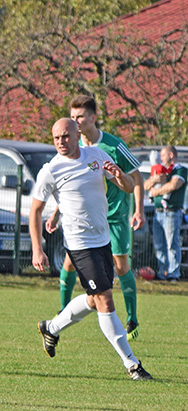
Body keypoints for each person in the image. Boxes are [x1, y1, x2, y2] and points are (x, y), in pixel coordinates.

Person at [31, 118, 152, 381]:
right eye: (56, 138)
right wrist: (37, 248)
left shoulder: (96, 155)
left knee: (93, 299)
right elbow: (35, 210)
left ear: (77, 135)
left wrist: (120, 177)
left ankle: (51, 327)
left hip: (102, 239)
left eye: (65, 136)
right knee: (106, 300)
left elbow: (129, 187)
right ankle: (132, 364)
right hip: (78, 244)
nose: (61, 142)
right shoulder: (50, 170)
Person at [48, 95, 144, 341]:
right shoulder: (73, 146)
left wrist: (139, 210)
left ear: (93, 118)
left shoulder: (113, 145)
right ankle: (62, 309)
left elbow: (137, 178)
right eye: (72, 117)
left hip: (115, 217)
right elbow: (71, 187)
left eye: (80, 116)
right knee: (69, 263)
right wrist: (56, 213)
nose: (75, 121)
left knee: (122, 267)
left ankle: (132, 318)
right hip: (82, 222)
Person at [144, 145, 186, 282]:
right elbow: (145, 186)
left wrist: (156, 192)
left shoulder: (180, 170)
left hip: (171, 213)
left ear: (171, 155)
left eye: (163, 155)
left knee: (171, 245)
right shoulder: (160, 171)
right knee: (159, 245)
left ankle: (173, 274)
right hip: (158, 212)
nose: (161, 159)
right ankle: (162, 273)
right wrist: (155, 179)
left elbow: (174, 185)